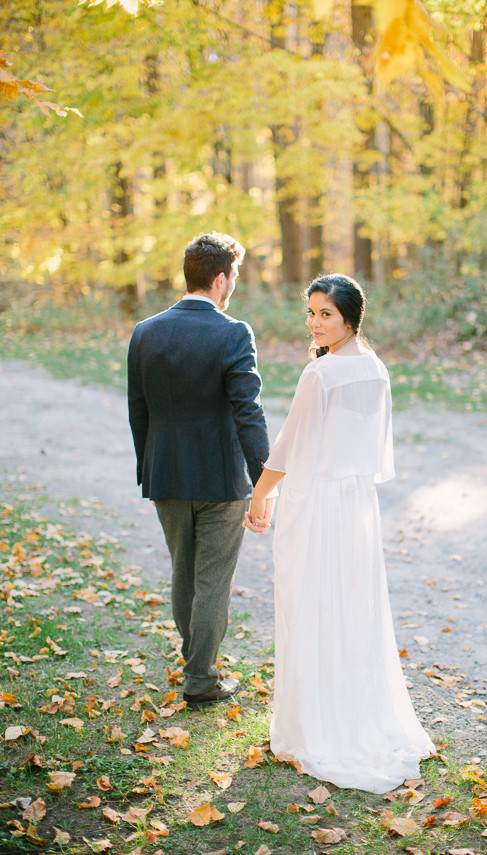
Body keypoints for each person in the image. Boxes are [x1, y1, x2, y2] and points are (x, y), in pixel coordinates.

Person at [243, 274, 434, 793]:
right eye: (311, 312)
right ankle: (346, 712)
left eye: (325, 313)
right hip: (355, 505)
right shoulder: (375, 369)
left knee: (313, 605)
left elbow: (287, 446)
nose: (315, 322)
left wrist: (260, 494)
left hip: (320, 502)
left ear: (350, 317)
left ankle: (317, 728)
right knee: (350, 607)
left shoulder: (321, 375)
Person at [128, 232, 274, 710]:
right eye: (232, 276)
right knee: (212, 578)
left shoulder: (145, 331)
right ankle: (200, 678)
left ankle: (197, 665)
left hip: (165, 473)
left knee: (183, 572)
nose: (232, 285)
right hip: (221, 478)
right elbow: (247, 411)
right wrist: (264, 481)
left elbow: (138, 411)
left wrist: (148, 465)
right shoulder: (234, 333)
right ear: (219, 279)